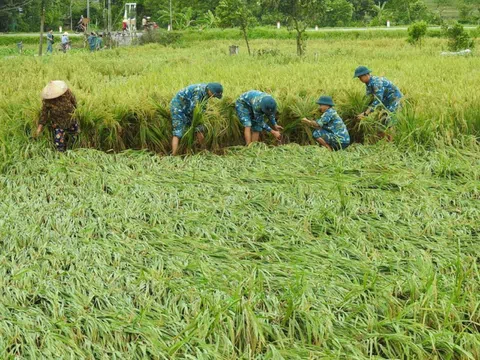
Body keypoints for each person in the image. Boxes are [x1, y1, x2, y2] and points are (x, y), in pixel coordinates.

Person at [170, 83, 223, 155]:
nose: (213, 97)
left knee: (199, 129)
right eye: (214, 95)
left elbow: (202, 107)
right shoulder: (198, 91)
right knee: (178, 132)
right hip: (179, 107)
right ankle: (174, 155)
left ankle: (203, 151)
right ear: (211, 91)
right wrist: (199, 118)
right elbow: (195, 108)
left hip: (189, 108)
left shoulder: (207, 93)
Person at [354, 66, 403, 136]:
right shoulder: (368, 83)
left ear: (366, 75)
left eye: (360, 77)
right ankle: (385, 141)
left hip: (394, 101)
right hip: (386, 102)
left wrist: (365, 114)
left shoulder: (377, 82)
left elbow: (377, 100)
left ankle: (392, 144)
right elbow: (369, 99)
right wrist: (362, 111)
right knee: (382, 121)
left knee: (390, 122)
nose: (359, 79)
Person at [35, 81, 79, 152]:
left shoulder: (66, 93)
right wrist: (39, 128)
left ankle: (74, 151)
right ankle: (61, 157)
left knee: (74, 138)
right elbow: (44, 114)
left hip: (71, 120)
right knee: (59, 143)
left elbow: (75, 103)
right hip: (58, 124)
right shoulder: (47, 100)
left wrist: (74, 113)